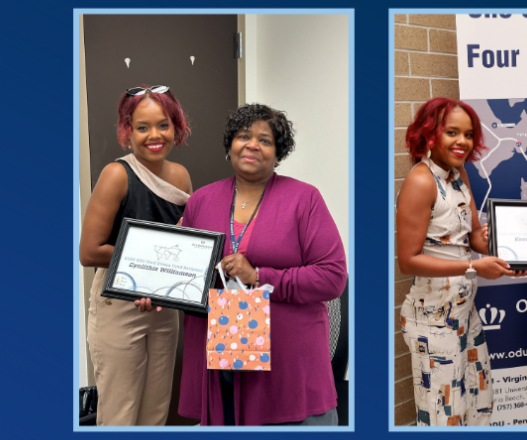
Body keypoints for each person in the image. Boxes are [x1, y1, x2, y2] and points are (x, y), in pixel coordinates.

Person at [175, 103, 346, 425]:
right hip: (220, 358)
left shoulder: (304, 199)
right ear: (230, 145)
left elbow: (332, 277)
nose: (252, 144)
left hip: (288, 363)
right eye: (243, 136)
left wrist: (259, 276)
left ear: (278, 153)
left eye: (265, 140)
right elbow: (185, 272)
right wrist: (157, 294)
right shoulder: (201, 201)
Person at [396, 97, 527, 426]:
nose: (462, 142)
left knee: (479, 405)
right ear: (429, 134)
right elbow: (408, 262)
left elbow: (473, 238)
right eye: (452, 132)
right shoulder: (421, 181)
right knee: (444, 417)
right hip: (433, 321)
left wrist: (510, 255)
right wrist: (473, 267)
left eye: (468, 134)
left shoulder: (458, 173)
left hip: (464, 313)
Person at [79, 85, 193, 425]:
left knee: (155, 412)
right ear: (127, 131)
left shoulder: (181, 176)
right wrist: (147, 275)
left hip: (163, 305)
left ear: (176, 127)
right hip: (119, 305)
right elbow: (89, 251)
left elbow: (183, 244)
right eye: (142, 127)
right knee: (120, 414)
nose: (154, 135)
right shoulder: (117, 175)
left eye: (163, 125)